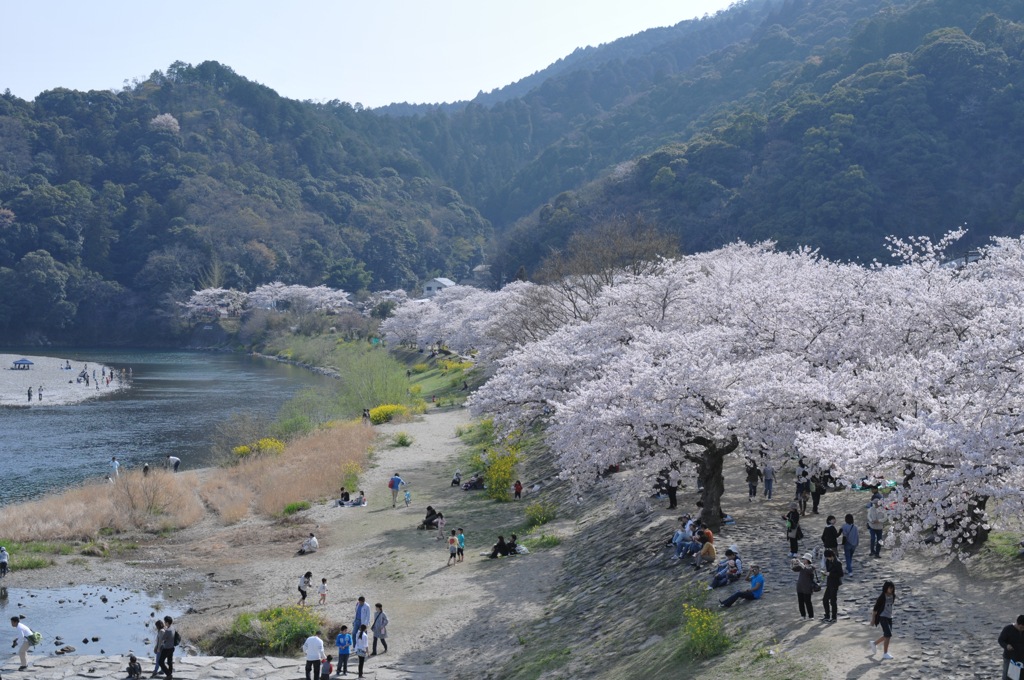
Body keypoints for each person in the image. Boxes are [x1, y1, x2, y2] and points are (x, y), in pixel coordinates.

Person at [870, 580, 897, 660]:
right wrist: (873, 620)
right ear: (886, 588)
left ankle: (874, 643)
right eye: (890, 588)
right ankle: (885, 653)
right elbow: (875, 609)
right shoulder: (882, 597)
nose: (891, 590)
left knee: (887, 634)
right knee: (888, 634)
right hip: (882, 616)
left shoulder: (893, 595)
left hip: (889, 616)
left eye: (892, 588)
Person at [791, 553, 817, 620]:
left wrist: (801, 564)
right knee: (801, 602)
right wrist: (793, 563)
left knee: (808, 602)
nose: (803, 560)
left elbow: (808, 570)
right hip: (800, 587)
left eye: (805, 559)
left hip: (807, 587)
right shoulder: (802, 566)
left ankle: (811, 616)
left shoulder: (812, 567)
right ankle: (803, 615)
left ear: (808, 560)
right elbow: (794, 569)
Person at [820, 548, 843, 623]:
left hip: (835, 583)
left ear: (831, 556)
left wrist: (830, 574)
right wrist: (825, 573)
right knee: (825, 599)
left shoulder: (838, 563)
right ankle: (827, 615)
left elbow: (841, 574)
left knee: (833, 601)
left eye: (828, 557)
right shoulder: (828, 561)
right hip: (829, 582)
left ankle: (834, 617)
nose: (827, 559)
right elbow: (828, 570)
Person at [998, 615, 1024, 680]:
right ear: (1017, 624)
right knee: (1007, 676)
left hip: (1022, 658)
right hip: (1009, 657)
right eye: (1021, 627)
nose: (1022, 629)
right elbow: (1000, 640)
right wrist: (1006, 646)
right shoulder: (1008, 629)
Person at [158, 615, 176, 680]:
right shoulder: (173, 628)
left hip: (166, 648)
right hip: (172, 647)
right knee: (169, 662)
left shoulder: (168, 630)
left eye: (165, 622)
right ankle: (170, 674)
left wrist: (164, 630)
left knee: (160, 662)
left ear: (167, 622)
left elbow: (163, 638)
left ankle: (168, 674)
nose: (164, 623)